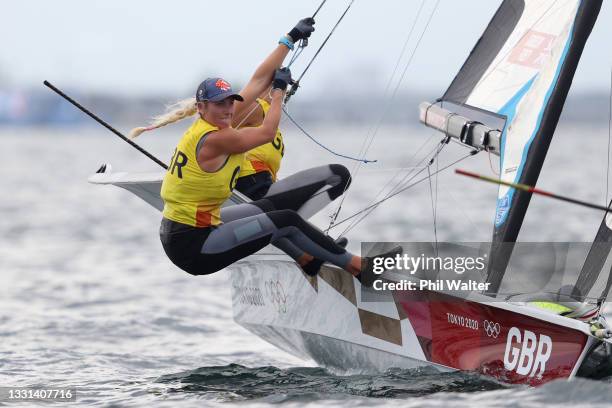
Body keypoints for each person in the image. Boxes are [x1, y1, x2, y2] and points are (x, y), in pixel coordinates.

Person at [129, 18, 390, 279]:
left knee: (274, 213)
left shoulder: (219, 126)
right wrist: (278, 93)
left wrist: (289, 38)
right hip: (193, 247)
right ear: (201, 108)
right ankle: (361, 268)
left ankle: (309, 258)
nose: (228, 109)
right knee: (284, 221)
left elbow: (257, 80)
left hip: (199, 226)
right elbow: (266, 133)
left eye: (230, 102)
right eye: (219, 104)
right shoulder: (214, 138)